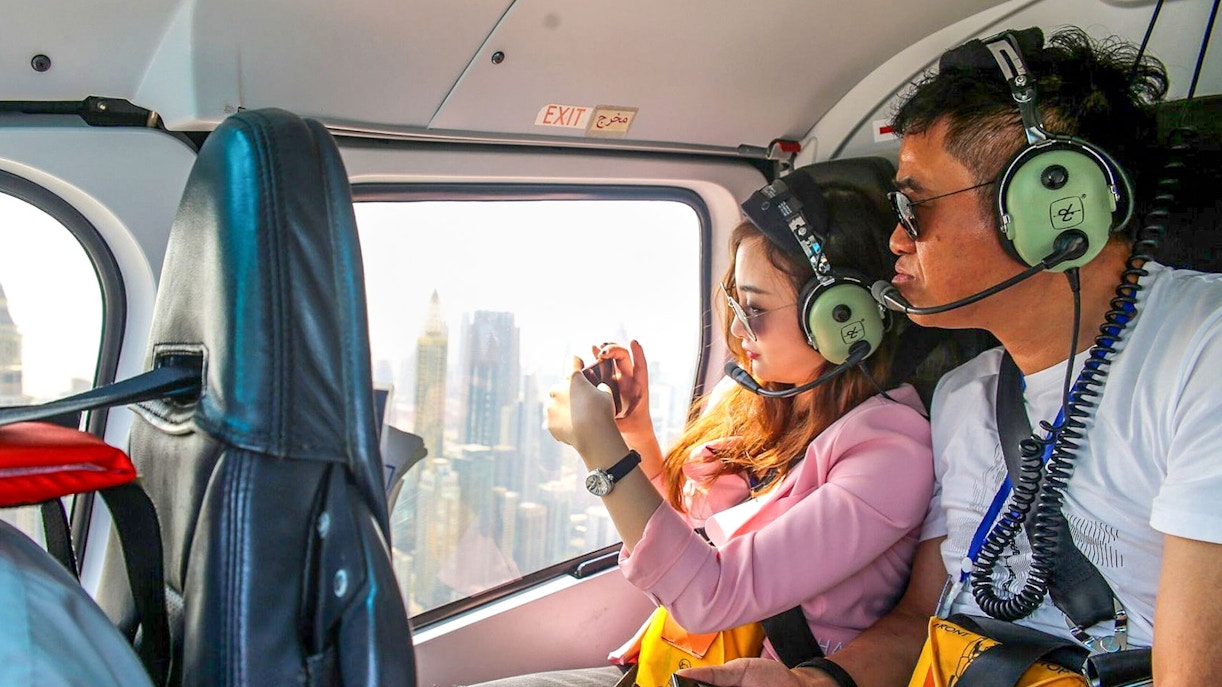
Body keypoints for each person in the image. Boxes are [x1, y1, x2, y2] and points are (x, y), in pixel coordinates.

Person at [682, 26, 1222, 687]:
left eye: (914, 207)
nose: (895, 240)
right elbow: (923, 622)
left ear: (1053, 203)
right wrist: (811, 682)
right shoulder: (966, 394)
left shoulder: (1202, 357)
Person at [471, 169, 934, 687]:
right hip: (674, 662)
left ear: (842, 317)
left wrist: (600, 450)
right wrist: (634, 434)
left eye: (754, 309)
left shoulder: (891, 453)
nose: (736, 329)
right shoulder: (752, 396)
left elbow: (708, 593)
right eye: (736, 304)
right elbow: (684, 538)